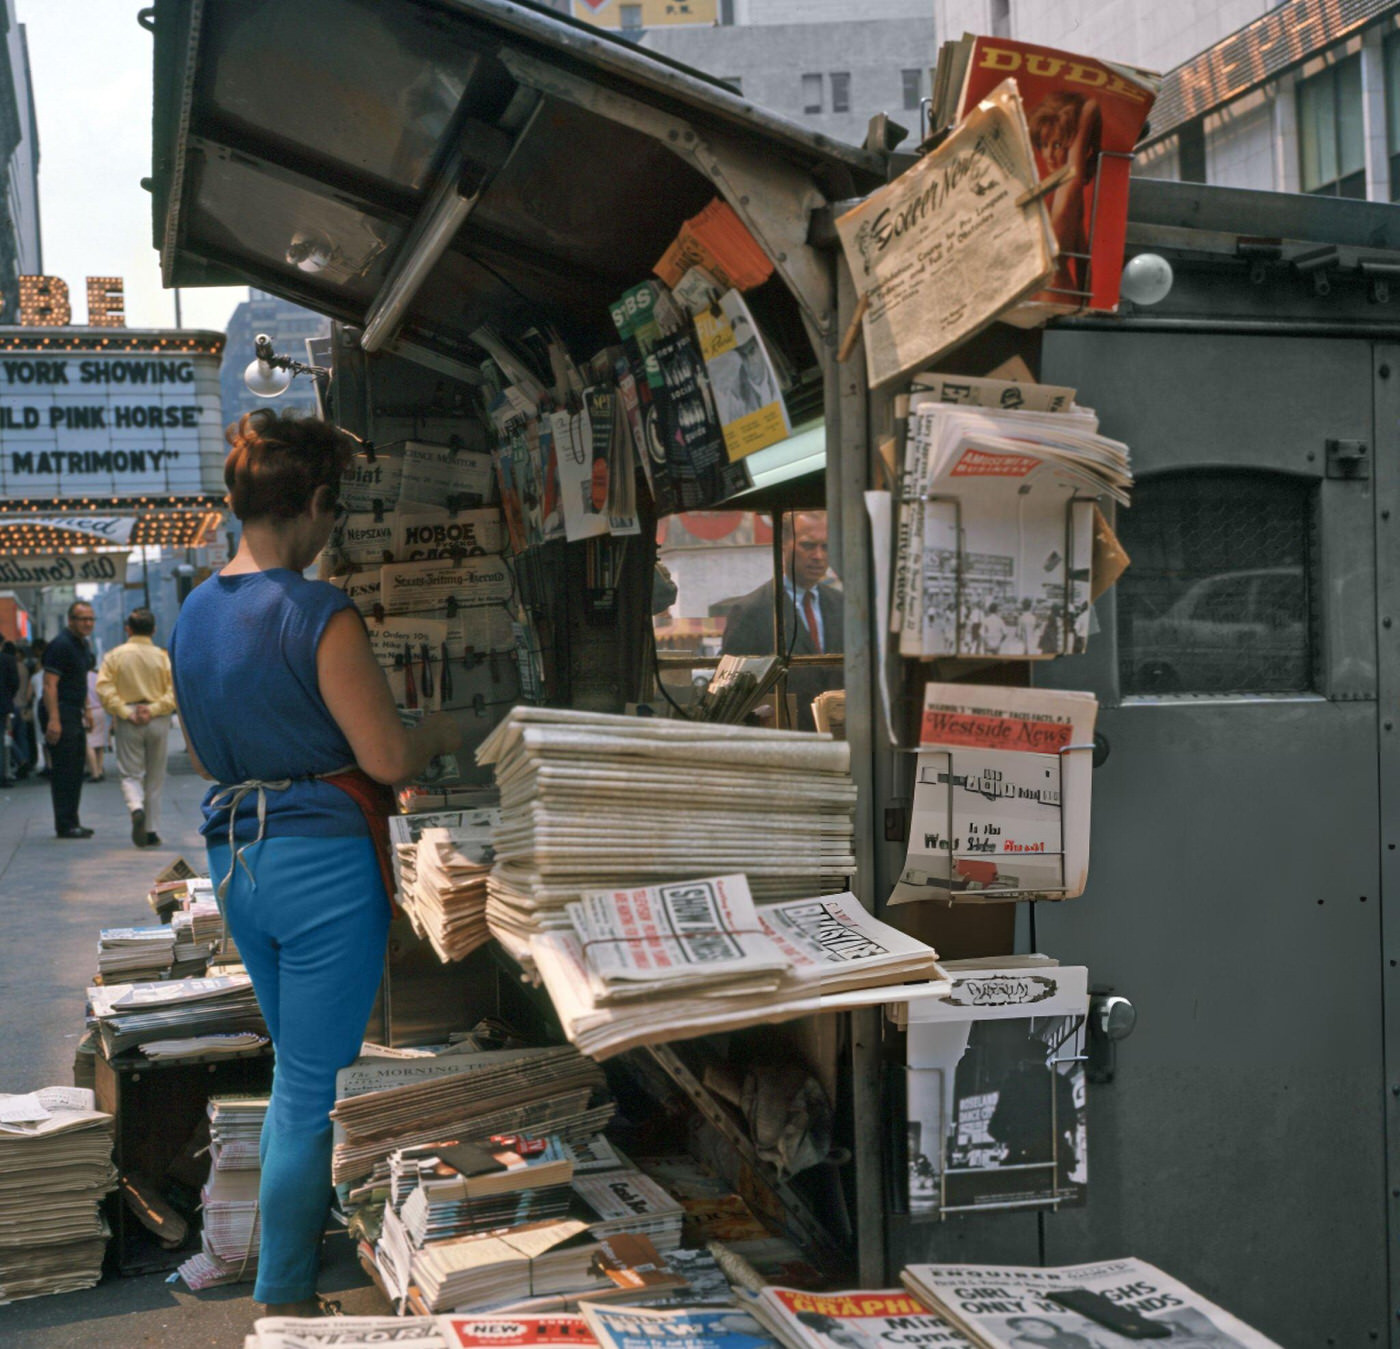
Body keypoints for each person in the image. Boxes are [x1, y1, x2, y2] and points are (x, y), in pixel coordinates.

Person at [170, 411, 460, 1317]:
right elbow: (387, 760)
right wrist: (450, 729)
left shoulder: (193, 612)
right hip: (321, 867)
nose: (334, 530)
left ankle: (298, 1266)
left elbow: (208, 749)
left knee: (294, 1068)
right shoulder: (315, 611)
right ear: (315, 504)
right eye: (333, 513)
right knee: (308, 1088)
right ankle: (286, 1297)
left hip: (237, 860)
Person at [720, 511, 842, 731]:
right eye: (808, 545)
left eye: (825, 547)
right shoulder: (751, 612)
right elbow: (730, 697)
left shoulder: (843, 606)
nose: (818, 556)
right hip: (784, 740)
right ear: (782, 545)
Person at [97, 607, 178, 849]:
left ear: (127, 629)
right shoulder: (163, 657)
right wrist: (152, 709)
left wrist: (124, 711)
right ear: (153, 630)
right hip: (157, 719)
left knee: (131, 773)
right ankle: (151, 831)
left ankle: (136, 807)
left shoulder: (114, 656)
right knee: (155, 777)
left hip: (128, 719)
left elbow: (104, 688)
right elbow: (174, 691)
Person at [1027, 91, 1102, 299]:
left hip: (1053, 298)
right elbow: (1082, 256)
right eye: (1043, 145)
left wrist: (1093, 152)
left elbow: (1091, 106)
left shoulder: (1069, 185)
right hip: (1057, 299)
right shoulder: (1048, 191)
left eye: (1058, 145)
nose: (1048, 155)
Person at [43, 602, 96, 838]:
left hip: (74, 710)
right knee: (64, 769)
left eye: (91, 619)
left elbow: (80, 680)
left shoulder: (82, 645)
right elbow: (49, 684)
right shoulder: (61, 645)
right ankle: (64, 823)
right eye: (82, 619)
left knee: (76, 768)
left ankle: (72, 820)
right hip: (60, 710)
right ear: (70, 620)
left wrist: (87, 710)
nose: (87, 623)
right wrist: (54, 720)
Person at [709, 314, 781, 425]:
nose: (750, 361)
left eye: (752, 351)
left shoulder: (780, 376)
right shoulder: (736, 397)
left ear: (760, 347)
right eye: (743, 355)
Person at [0, 641, 20, 787]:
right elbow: (14, 683)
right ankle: (2, 775)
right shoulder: (8, 660)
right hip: (2, 705)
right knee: (2, 742)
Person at [84, 669, 110, 782]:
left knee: (88, 742)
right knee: (99, 742)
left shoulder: (80, 677)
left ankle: (94, 772)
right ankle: (99, 769)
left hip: (88, 710)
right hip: (101, 709)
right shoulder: (98, 676)